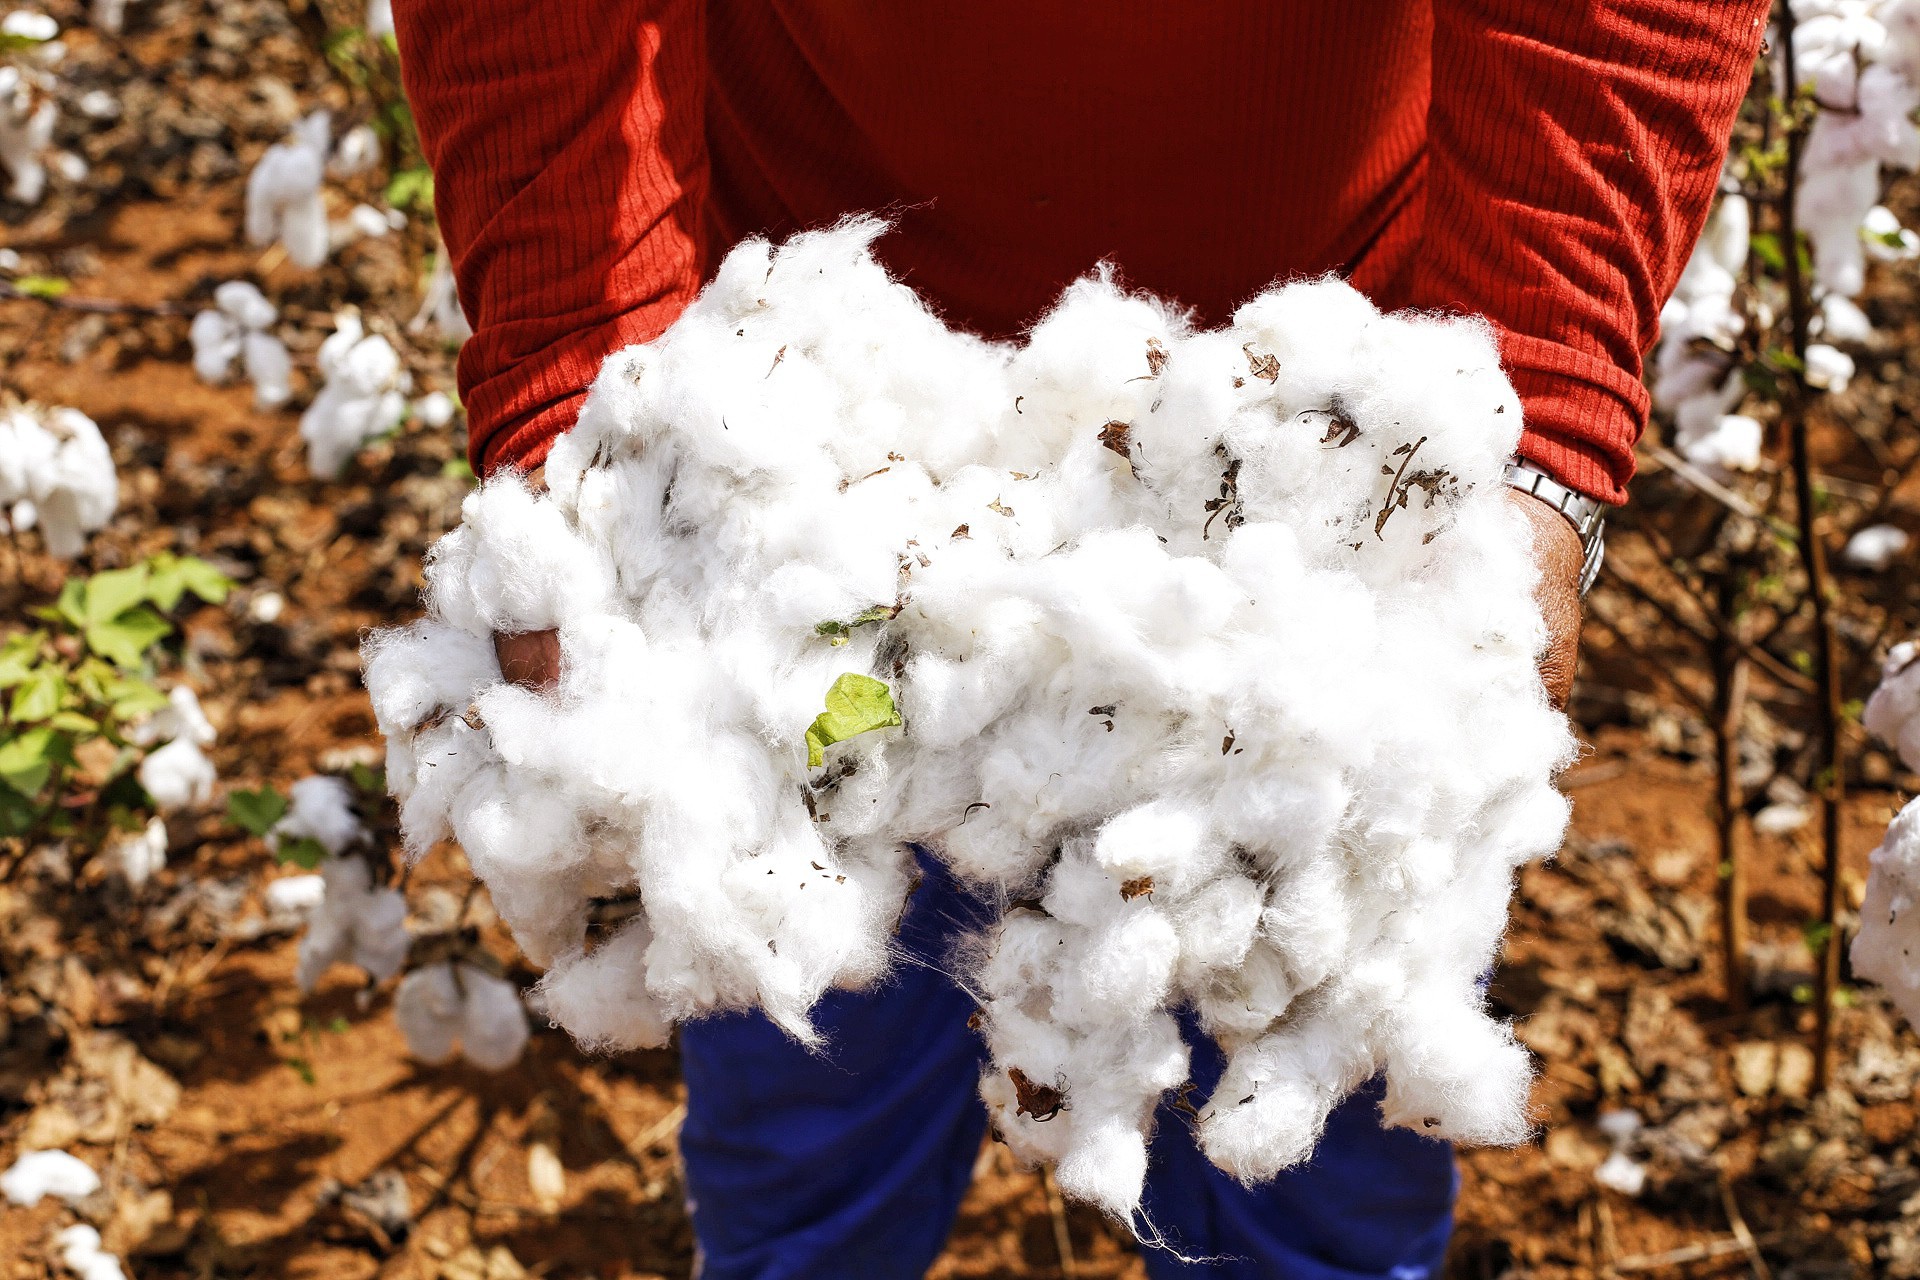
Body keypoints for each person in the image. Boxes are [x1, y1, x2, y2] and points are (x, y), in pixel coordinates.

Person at [392, 4, 1769, 1275]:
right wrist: (596, 403)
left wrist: (1540, 419)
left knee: (1309, 1084)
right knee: (804, 1067)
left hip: (1330, 450)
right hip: (795, 452)